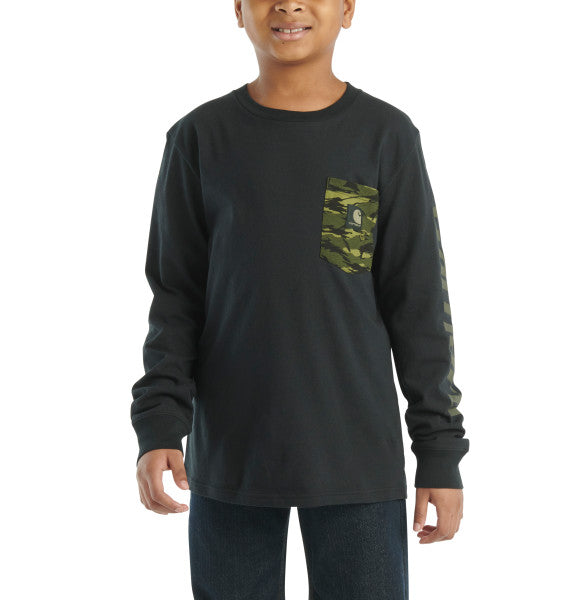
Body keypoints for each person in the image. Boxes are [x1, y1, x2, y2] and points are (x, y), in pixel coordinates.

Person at [130, 1, 470, 598]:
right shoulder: (199, 139)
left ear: (347, 9)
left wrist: (438, 452)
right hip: (231, 458)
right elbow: (176, 299)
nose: (288, 4)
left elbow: (418, 306)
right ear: (239, 10)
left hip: (357, 459)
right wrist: (160, 424)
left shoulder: (385, 137)